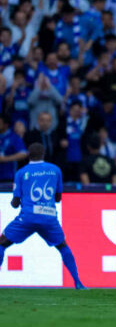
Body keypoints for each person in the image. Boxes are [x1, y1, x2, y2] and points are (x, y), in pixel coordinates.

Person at [0, 143, 85, 289]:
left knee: (2, 243)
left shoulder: (21, 172)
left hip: (27, 217)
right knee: (63, 246)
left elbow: (15, 202)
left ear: (28, 154)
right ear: (43, 153)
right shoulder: (55, 170)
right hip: (49, 217)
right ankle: (78, 282)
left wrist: (16, 203)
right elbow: (58, 198)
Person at [0, 114, 27, 182]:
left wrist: (5, 159)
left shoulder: (14, 137)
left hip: (9, 176)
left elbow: (23, 153)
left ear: (6, 124)